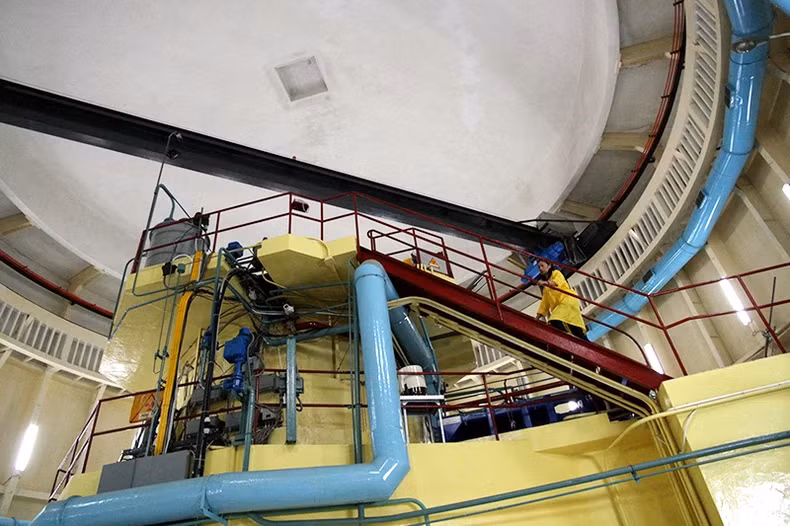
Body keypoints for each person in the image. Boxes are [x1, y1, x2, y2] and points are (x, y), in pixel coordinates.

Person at [535, 259, 588, 340]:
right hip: (561, 306)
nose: (540, 268)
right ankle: (585, 343)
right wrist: (537, 318)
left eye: (542, 266)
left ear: (549, 266)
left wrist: (545, 283)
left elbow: (557, 283)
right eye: (539, 267)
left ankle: (566, 339)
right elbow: (544, 303)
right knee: (575, 328)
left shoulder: (556, 273)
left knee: (554, 320)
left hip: (567, 301)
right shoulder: (546, 289)